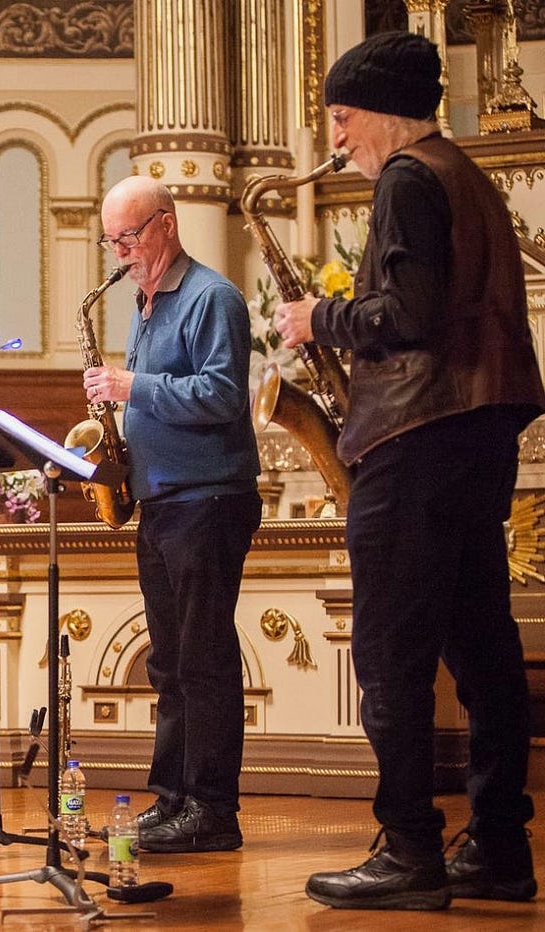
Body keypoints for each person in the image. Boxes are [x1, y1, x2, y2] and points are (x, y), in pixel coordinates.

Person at [274, 32, 542, 911]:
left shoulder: (406, 178)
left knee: (390, 652)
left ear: (382, 111)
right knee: (481, 646)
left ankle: (409, 850)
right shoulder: (463, 173)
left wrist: (319, 318)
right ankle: (498, 847)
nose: (337, 137)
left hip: (419, 435)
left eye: (342, 117)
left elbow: (409, 313)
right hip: (475, 434)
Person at [83, 176, 262, 853]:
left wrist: (130, 385)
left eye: (130, 236)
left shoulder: (212, 297)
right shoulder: (145, 301)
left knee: (204, 659)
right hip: (163, 503)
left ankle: (213, 810)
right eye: (111, 241)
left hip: (208, 500)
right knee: (170, 663)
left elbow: (222, 395)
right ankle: (174, 797)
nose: (121, 251)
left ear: (166, 223)